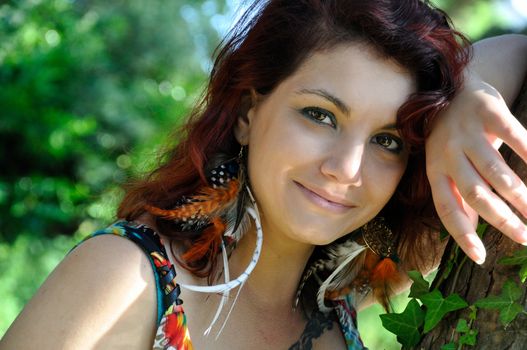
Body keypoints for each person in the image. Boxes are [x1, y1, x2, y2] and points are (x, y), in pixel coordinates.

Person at [2, 1, 527, 349]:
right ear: (250, 113)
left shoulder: (342, 302)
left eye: (386, 141)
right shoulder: (128, 277)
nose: (345, 168)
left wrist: (469, 90)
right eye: (320, 115)